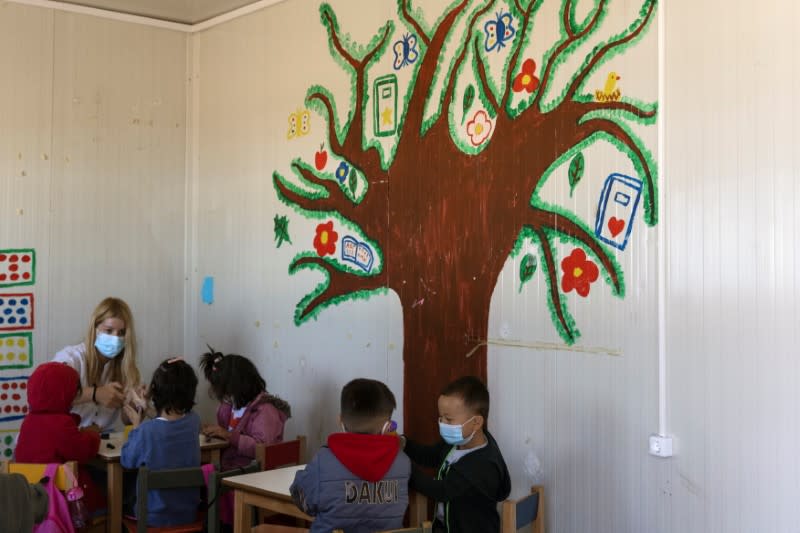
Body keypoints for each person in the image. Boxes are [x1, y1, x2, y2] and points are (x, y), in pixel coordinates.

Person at [290, 378, 410, 533]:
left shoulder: (324, 460)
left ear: (341, 421)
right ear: (387, 427)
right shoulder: (402, 462)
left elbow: (302, 500)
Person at [401, 376, 511, 533]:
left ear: (476, 423)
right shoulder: (457, 442)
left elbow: (441, 491)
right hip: (444, 526)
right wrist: (404, 443)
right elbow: (430, 456)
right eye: (440, 417)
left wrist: (400, 465)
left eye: (449, 419)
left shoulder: (483, 464)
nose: (442, 424)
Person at [121, 357, 201, 527]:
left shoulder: (146, 431)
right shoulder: (194, 422)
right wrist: (147, 407)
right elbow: (170, 422)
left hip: (152, 517)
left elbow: (127, 461)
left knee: (122, 494)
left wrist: (136, 426)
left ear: (155, 392)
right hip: (188, 514)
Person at [15, 362, 105, 512]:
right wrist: (94, 434)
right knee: (104, 493)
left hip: (32, 504)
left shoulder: (28, 422)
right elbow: (83, 450)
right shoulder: (61, 424)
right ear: (62, 394)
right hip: (60, 504)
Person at [53, 297, 142, 432]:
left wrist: (137, 405)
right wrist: (95, 394)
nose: (116, 338)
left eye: (122, 333)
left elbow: (127, 421)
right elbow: (48, 397)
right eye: (108, 330)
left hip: (96, 446)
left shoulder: (124, 369)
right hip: (55, 444)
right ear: (95, 328)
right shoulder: (71, 358)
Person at [199, 347, 291, 470]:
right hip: (231, 468)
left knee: (200, 476)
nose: (221, 394)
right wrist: (215, 433)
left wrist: (228, 435)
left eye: (224, 389)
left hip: (252, 474)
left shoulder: (265, 410)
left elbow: (263, 449)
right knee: (198, 471)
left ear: (238, 385)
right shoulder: (229, 407)